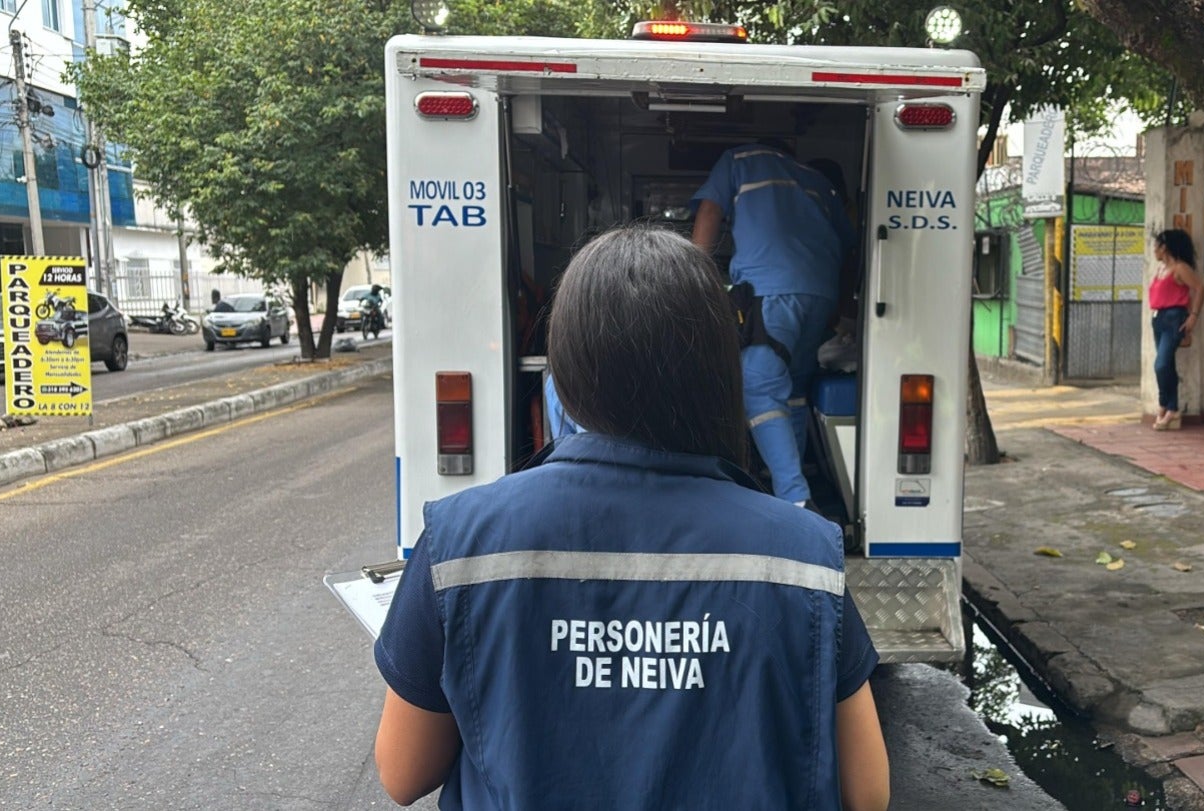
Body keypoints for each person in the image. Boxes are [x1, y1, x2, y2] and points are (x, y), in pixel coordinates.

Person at [373, 226, 889, 811]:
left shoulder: (460, 543)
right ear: (719, 373)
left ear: (565, 371)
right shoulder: (803, 556)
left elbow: (403, 772)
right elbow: (867, 793)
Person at [690, 141, 856, 506]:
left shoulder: (738, 158)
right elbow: (849, 247)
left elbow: (710, 211)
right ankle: (783, 479)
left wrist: (691, 281)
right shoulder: (814, 178)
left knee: (758, 389)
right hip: (820, 296)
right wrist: (841, 307)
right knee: (792, 391)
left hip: (772, 292)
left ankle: (795, 499)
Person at [1148, 229, 1204, 431]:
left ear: (1165, 248)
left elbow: (1199, 288)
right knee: (1167, 365)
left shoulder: (1180, 268)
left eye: (1157, 246)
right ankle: (1171, 409)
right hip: (1158, 318)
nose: (1154, 250)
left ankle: (1165, 404)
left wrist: (1193, 316)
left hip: (1174, 318)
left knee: (1161, 365)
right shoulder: (1161, 270)